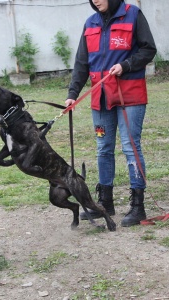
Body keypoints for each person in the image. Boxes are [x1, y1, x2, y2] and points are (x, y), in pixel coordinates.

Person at [65, 0, 156, 227]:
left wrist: (126, 65)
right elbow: (82, 63)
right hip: (101, 97)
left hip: (130, 96)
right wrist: (73, 93)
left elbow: (148, 49)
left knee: (130, 146)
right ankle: (104, 203)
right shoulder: (91, 22)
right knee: (103, 148)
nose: (96, 0)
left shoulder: (133, 14)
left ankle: (138, 207)